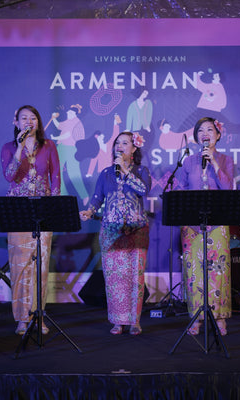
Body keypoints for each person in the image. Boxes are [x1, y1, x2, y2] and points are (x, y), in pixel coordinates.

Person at [79, 131, 151, 335]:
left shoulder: (141, 170)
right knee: (114, 278)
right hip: (111, 230)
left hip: (136, 230)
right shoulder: (105, 173)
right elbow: (97, 198)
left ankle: (135, 321)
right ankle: (118, 321)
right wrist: (90, 211)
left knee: (134, 277)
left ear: (134, 148)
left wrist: (126, 171)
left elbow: (143, 190)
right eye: (117, 143)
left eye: (125, 143)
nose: (119, 146)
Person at [1, 105, 61, 336]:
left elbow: (55, 178)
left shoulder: (49, 146)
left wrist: (54, 208)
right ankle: (21, 318)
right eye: (23, 118)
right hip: (18, 212)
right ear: (15, 122)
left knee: (41, 267)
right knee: (20, 267)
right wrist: (19, 147)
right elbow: (9, 175)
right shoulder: (8, 147)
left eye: (33, 118)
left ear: (39, 122)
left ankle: (38, 316)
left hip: (43, 211)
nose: (29, 121)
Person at [177, 116, 235, 336]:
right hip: (192, 226)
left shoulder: (226, 160)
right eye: (200, 130)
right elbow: (180, 189)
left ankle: (219, 317)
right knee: (194, 273)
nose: (205, 134)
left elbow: (228, 188)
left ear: (217, 135)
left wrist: (215, 163)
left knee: (217, 271)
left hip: (217, 225)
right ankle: (196, 318)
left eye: (210, 129)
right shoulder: (189, 162)